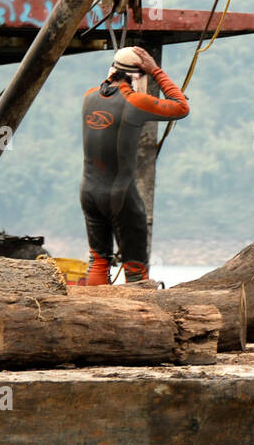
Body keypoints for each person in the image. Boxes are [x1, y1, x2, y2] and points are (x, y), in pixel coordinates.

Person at [81, 46, 189, 284]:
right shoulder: (135, 102)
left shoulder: (88, 97)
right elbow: (181, 107)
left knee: (98, 261)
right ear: (137, 77)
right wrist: (156, 70)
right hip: (121, 195)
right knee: (135, 268)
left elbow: (110, 85)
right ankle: (139, 316)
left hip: (89, 193)